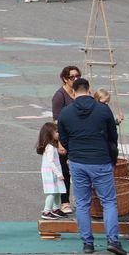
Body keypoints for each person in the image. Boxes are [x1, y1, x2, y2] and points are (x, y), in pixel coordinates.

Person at [57, 78, 127, 255]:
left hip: (78, 161)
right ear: (89, 90)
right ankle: (113, 240)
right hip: (100, 160)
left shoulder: (65, 113)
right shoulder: (103, 110)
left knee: (82, 204)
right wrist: (111, 156)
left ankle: (87, 243)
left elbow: (63, 139)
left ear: (73, 92)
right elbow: (112, 136)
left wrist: (73, 151)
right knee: (109, 202)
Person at [51, 65, 81, 216]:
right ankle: (64, 201)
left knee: (79, 169)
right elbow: (56, 121)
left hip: (79, 137)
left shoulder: (80, 92)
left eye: (77, 76)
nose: (75, 79)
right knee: (65, 170)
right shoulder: (60, 96)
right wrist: (60, 143)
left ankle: (80, 200)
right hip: (65, 138)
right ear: (64, 79)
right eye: (72, 77)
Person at [37, 122, 68, 220]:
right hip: (50, 173)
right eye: (56, 132)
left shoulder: (52, 145)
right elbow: (50, 162)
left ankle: (56, 209)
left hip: (54, 172)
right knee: (51, 192)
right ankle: (46, 211)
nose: (58, 134)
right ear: (49, 134)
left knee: (58, 191)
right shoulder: (50, 147)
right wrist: (59, 174)